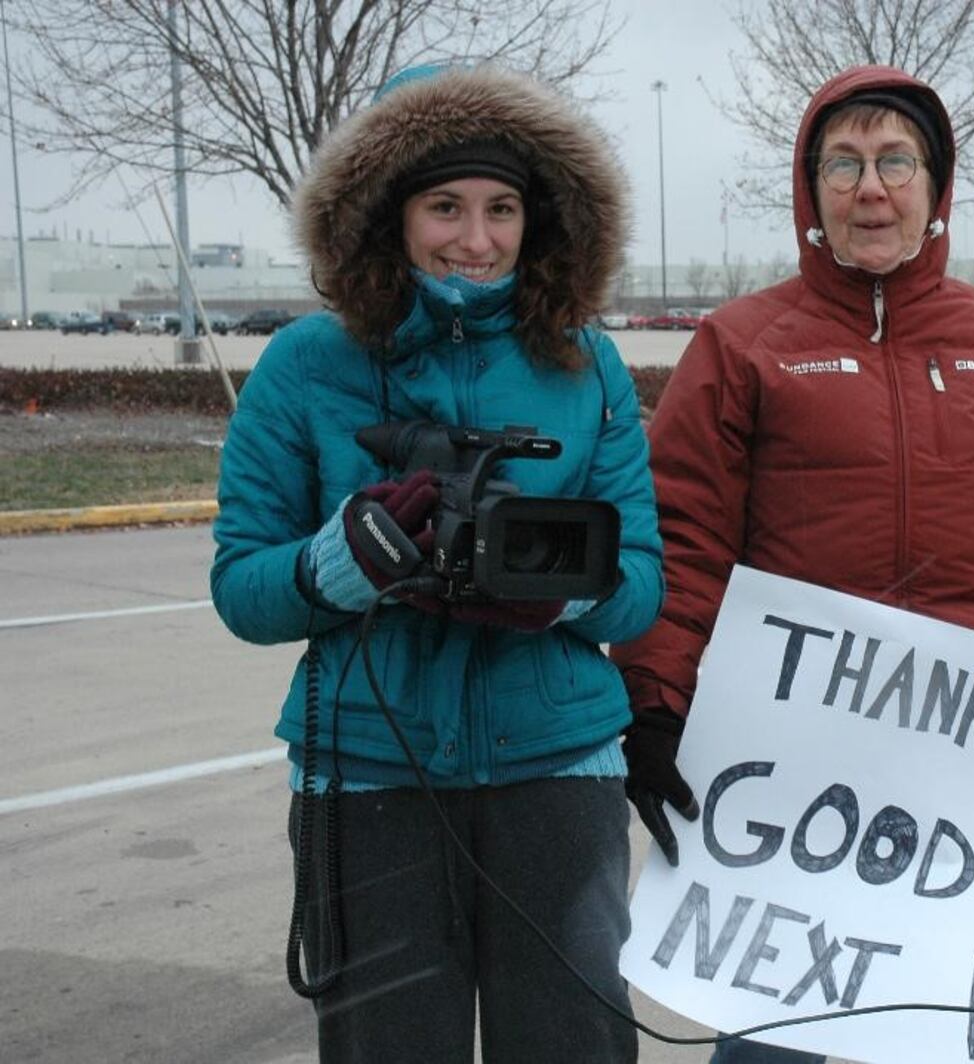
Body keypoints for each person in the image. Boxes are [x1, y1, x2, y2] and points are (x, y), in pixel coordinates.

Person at [611, 65, 974, 1064]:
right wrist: (654, 703)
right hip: (797, 766)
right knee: (781, 1036)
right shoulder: (742, 345)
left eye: (895, 161)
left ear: (936, 186)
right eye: (845, 163)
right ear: (810, 188)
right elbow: (684, 542)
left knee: (952, 1026)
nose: (872, 187)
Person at [210, 64, 661, 1063]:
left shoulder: (589, 365)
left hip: (557, 769)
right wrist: (337, 562)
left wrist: (551, 589)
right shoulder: (305, 364)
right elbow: (241, 585)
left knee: (572, 1044)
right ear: (388, 214)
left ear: (538, 220)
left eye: (502, 208)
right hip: (367, 775)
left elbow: (638, 583)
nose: (476, 238)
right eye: (445, 206)